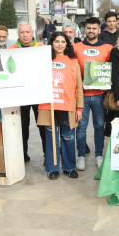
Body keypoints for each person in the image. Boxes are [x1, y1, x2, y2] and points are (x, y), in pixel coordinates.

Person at [37, 32, 83, 180]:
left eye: (63, 41)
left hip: (67, 106)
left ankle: (70, 167)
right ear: (52, 43)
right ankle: (52, 168)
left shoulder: (73, 61)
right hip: (49, 106)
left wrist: (79, 108)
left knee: (68, 137)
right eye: (57, 41)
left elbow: (79, 87)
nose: (60, 44)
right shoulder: (44, 60)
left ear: (67, 44)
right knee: (51, 138)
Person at [73, 17, 113, 170]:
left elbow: (111, 69)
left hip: (100, 94)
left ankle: (98, 155)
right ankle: (81, 156)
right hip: (82, 95)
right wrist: (79, 82)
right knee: (81, 127)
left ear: (99, 30)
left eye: (94, 28)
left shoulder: (108, 47)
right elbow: (72, 69)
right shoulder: (76, 47)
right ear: (85, 29)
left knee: (99, 126)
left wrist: (108, 80)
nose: (91, 31)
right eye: (88, 28)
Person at [9, 22, 46, 162]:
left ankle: (46, 154)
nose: (25, 35)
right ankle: (22, 154)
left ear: (32, 33)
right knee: (22, 126)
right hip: (20, 95)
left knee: (42, 124)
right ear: (18, 34)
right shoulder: (11, 49)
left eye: (27, 32)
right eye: (22, 32)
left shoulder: (41, 48)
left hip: (39, 94)